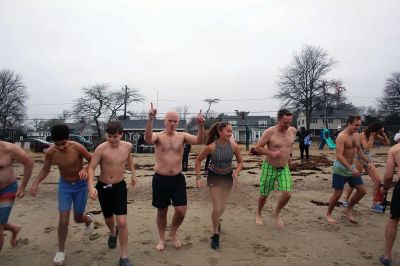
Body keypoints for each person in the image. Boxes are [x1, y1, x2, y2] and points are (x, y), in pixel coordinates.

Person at [30, 124, 93, 265]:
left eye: (63, 143)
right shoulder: (51, 152)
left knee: (78, 218)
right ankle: (60, 251)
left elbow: (92, 159)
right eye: (57, 144)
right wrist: (35, 183)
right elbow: (45, 170)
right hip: (64, 186)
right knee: (63, 220)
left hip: (80, 186)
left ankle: (88, 219)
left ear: (68, 138)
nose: (61, 147)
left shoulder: (77, 147)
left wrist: (85, 168)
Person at [144, 102, 205, 251]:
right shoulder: (158, 136)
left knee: (181, 210)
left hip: (177, 179)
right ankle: (161, 238)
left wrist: (201, 126)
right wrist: (150, 119)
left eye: (175, 121)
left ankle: (173, 233)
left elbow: (200, 141)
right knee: (162, 210)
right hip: (160, 179)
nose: (172, 123)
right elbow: (147, 139)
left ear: (178, 122)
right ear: (165, 121)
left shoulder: (182, 136)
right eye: (169, 120)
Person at [87, 120, 136, 266]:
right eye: (109, 136)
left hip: (120, 187)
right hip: (103, 187)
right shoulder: (101, 149)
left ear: (121, 134)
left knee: (122, 221)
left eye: (115, 136)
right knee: (109, 219)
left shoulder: (128, 146)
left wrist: (133, 173)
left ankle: (124, 257)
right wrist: (90, 187)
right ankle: (112, 232)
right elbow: (91, 168)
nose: (112, 139)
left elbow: (129, 158)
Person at [194, 122, 243, 249]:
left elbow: (240, 162)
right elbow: (198, 161)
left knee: (222, 208)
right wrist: (198, 178)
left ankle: (216, 221)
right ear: (220, 132)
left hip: (227, 176)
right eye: (228, 131)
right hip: (214, 176)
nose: (230, 133)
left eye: (231, 131)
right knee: (217, 208)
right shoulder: (211, 147)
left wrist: (236, 173)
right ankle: (215, 234)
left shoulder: (234, 147)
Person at [255, 109, 297, 229]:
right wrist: (270, 153)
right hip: (269, 167)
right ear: (278, 119)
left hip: (284, 167)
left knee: (287, 194)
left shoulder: (292, 131)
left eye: (289, 122)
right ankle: (258, 213)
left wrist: (289, 156)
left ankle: (276, 212)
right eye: (285, 122)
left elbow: (290, 145)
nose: (287, 125)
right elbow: (258, 148)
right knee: (264, 194)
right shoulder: (270, 132)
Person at [326, 115, 369, 224]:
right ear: (349, 123)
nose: (358, 127)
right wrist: (351, 168)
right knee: (337, 194)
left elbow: (359, 151)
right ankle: (329, 214)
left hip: (351, 167)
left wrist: (368, 162)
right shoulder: (341, 136)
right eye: (356, 125)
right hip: (340, 168)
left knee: (362, 190)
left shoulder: (356, 136)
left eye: (359, 125)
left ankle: (348, 209)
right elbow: (339, 156)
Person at [341, 122, 390, 213]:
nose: (378, 134)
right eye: (378, 132)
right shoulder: (363, 135)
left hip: (368, 160)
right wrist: (372, 136)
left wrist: (383, 133)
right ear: (373, 131)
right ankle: (345, 200)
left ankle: (375, 204)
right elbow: (367, 149)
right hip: (358, 160)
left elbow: (387, 143)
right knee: (354, 182)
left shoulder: (376, 134)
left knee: (378, 181)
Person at [0, 141, 33, 252]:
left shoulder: (8, 148)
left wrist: (23, 187)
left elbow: (28, 162)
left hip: (7, 190)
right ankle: (14, 228)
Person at [379, 142, 400, 265]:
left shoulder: (395, 149)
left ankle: (387, 256)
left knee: (393, 219)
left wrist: (385, 188)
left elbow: (388, 176)